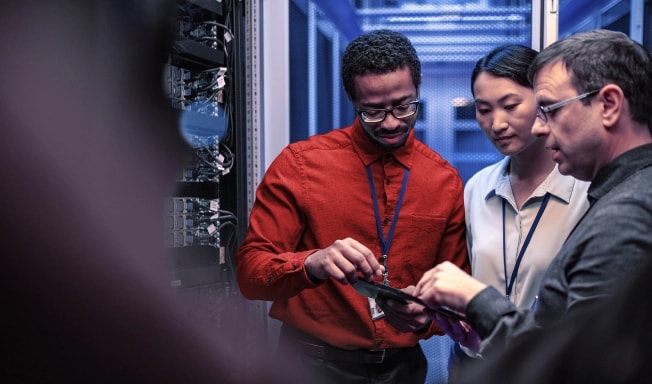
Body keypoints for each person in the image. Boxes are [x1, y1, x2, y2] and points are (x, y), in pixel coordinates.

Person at [236, 29, 470, 383]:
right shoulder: (299, 164)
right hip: (309, 367)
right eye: (373, 112)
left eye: (404, 106)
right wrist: (311, 262)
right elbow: (250, 278)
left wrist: (430, 315)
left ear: (417, 89)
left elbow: (455, 288)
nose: (391, 123)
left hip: (402, 370)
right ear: (352, 100)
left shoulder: (444, 180)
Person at [414, 28, 652, 367]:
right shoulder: (478, 187)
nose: (541, 127)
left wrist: (481, 302)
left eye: (550, 109)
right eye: (483, 109)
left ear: (609, 105)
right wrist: (487, 326)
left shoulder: (623, 213)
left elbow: (582, 362)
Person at [450, 44, 591, 370]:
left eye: (511, 105)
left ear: (543, 101)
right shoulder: (477, 188)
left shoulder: (584, 190)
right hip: (475, 364)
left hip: (548, 367)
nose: (496, 123)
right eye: (483, 109)